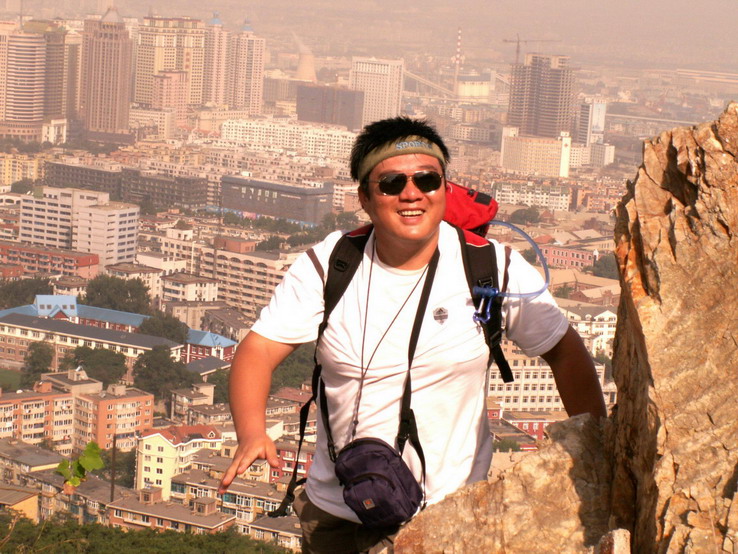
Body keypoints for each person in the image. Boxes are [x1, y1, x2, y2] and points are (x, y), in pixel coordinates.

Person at [219, 117, 607, 553]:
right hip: (339, 512)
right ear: (365, 198)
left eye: (427, 179)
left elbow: (565, 351)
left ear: (445, 188)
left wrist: (595, 449)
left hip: (449, 516)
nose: (411, 194)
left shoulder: (490, 267)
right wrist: (251, 431)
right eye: (391, 183)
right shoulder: (331, 265)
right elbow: (259, 349)